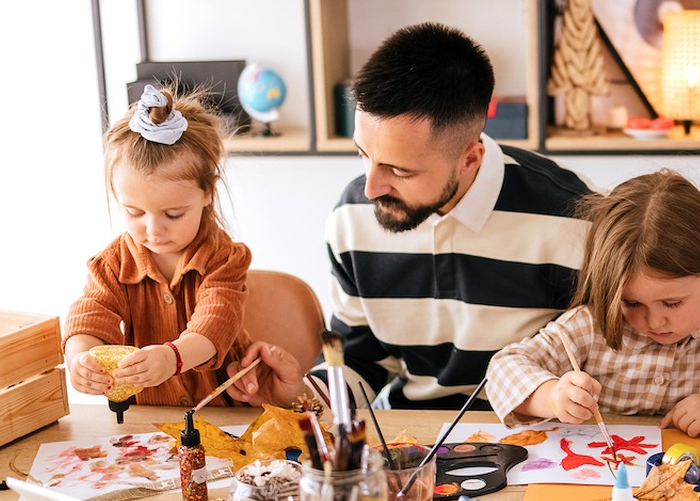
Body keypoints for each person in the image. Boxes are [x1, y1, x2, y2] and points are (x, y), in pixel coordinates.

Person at [229, 23, 594, 410]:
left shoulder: (576, 220)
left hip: (539, 440)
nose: (370, 189)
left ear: (470, 158)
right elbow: (362, 361)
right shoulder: (353, 216)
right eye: (363, 155)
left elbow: (618, 356)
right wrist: (303, 395)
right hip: (412, 438)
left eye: (399, 171)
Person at [487, 170, 700, 436]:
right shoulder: (591, 326)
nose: (654, 322)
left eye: (673, 303)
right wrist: (552, 396)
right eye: (632, 302)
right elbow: (502, 370)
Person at [65, 84, 251, 407]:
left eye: (173, 214)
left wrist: (173, 358)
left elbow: (216, 323)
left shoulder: (225, 259)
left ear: (208, 193)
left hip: (224, 415)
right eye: (134, 212)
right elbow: (91, 312)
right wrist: (80, 357)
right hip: (148, 422)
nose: (153, 230)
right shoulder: (112, 264)